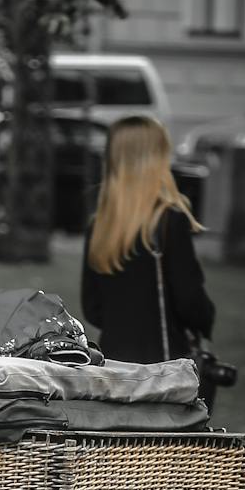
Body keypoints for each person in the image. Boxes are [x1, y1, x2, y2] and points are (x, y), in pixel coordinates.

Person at [81, 114, 216, 383]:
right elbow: (189, 298)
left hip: (114, 361)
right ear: (156, 160)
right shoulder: (168, 222)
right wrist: (205, 319)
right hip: (164, 362)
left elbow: (92, 306)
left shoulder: (100, 226)